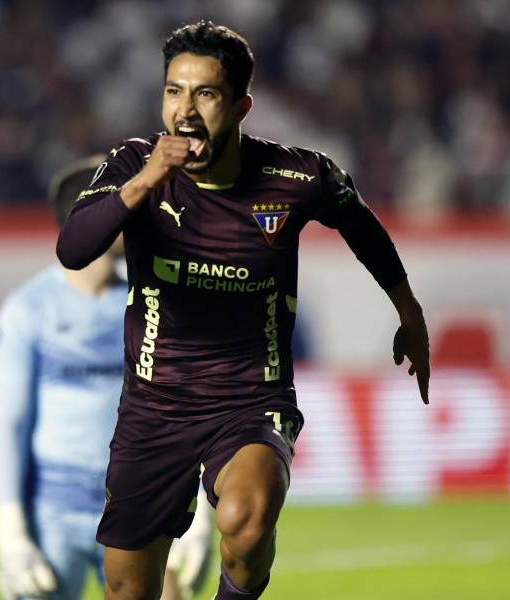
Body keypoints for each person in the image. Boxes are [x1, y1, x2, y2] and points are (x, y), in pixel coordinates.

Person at [56, 21, 430, 600]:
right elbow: (74, 249)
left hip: (251, 399)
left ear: (239, 106)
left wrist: (409, 311)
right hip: (154, 405)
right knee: (127, 591)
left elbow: (361, 226)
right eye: (173, 91)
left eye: (204, 93)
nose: (185, 110)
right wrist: (147, 181)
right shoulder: (134, 163)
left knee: (246, 521)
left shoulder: (296, 176)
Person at [0, 157, 213, 600]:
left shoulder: (153, 299)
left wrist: (199, 517)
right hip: (54, 515)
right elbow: (9, 426)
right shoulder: (28, 310)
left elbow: (188, 414)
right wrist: (10, 533)